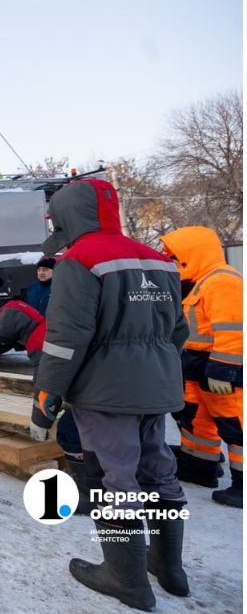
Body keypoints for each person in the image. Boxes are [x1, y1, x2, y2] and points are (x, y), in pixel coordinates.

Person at [36, 179, 189, 609]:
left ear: (65, 217)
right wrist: (155, 372)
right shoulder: (157, 260)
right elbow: (179, 330)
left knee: (115, 477)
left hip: (106, 394)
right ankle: (170, 570)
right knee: (159, 469)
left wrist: (46, 397)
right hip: (156, 388)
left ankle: (126, 578)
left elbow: (66, 340)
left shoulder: (79, 261)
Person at [160, 226, 242, 507]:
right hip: (197, 367)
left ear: (190, 255)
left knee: (235, 425)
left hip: (220, 368)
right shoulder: (197, 282)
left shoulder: (222, 280)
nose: (171, 262)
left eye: (174, 258)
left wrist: (224, 369)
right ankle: (199, 467)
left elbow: (234, 330)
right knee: (196, 419)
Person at [0, 299, 91, 515]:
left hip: (98, 393)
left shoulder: (38, 340)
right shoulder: (49, 325)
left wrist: (40, 421)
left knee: (69, 432)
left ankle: (89, 494)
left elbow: (46, 386)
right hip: (110, 384)